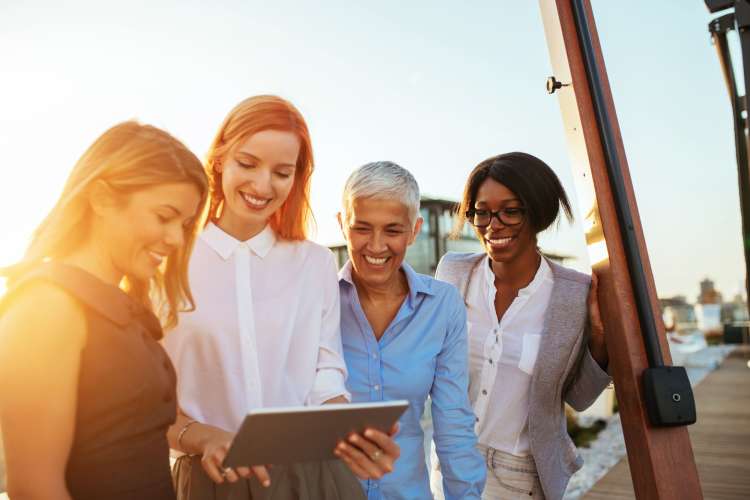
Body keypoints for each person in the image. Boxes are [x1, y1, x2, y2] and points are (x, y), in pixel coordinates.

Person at [163, 96, 399, 499]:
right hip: (212, 481)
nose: (262, 185)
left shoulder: (314, 263)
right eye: (248, 163)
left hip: (312, 479)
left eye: (281, 172)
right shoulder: (167, 259)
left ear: (296, 178)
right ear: (220, 159)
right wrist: (201, 437)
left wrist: (351, 431)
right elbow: (146, 400)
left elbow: (324, 378)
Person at [0, 122, 208, 500]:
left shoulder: (121, 309)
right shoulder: (48, 307)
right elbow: (34, 489)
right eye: (164, 216)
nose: (177, 239)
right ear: (102, 198)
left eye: (185, 224)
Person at [434, 152, 610, 500]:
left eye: (510, 211)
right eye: (481, 212)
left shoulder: (572, 293)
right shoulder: (452, 272)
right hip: (449, 463)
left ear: (537, 214)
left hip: (520, 475)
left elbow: (580, 397)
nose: (492, 224)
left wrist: (600, 337)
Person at [337, 161, 485, 499]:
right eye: (362, 228)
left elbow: (453, 422)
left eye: (392, 230)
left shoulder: (442, 306)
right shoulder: (317, 301)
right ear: (342, 224)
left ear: (414, 230)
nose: (376, 246)